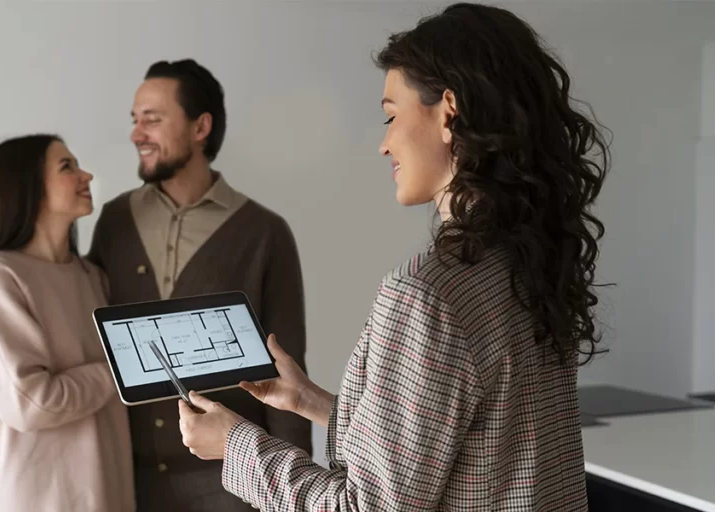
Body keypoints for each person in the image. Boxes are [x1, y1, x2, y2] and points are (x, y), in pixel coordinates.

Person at [177, 3, 610, 510]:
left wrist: (235, 446)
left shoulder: (426, 295)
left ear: (448, 111)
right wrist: (309, 400)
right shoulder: (528, 264)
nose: (384, 144)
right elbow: (461, 444)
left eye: (391, 116)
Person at [87, 59, 312, 510]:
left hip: (232, 485)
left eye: (152, 119)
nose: (136, 134)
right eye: (134, 120)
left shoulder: (263, 232)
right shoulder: (114, 221)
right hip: (127, 484)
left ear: (200, 127)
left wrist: (293, 493)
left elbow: (287, 369)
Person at [0, 134, 135, 511]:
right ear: (29, 188)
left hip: (108, 489)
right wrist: (121, 372)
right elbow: (29, 402)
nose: (86, 176)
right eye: (67, 167)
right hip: (39, 495)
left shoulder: (92, 277)